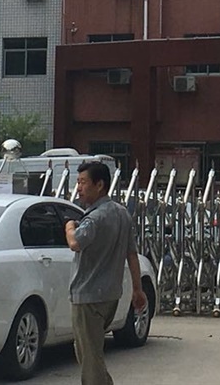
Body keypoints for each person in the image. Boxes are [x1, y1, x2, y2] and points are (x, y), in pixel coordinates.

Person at [64, 160, 146, 385]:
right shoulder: (121, 213)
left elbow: (75, 243)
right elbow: (132, 254)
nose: (78, 188)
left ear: (99, 185)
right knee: (91, 353)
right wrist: (137, 289)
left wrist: (69, 227)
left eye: (83, 182)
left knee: (90, 358)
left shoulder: (94, 218)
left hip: (88, 297)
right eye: (78, 182)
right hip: (110, 295)